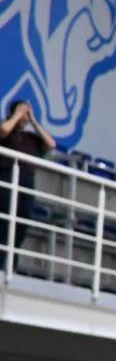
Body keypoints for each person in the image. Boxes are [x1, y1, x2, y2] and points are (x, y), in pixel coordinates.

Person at [1, 97, 57, 258]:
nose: (24, 116)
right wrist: (17, 114)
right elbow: (4, 130)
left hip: (26, 181)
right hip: (6, 177)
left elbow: (51, 144)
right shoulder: (6, 129)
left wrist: (33, 120)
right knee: (5, 222)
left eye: (26, 113)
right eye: (22, 112)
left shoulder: (30, 138)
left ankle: (12, 263)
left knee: (21, 223)